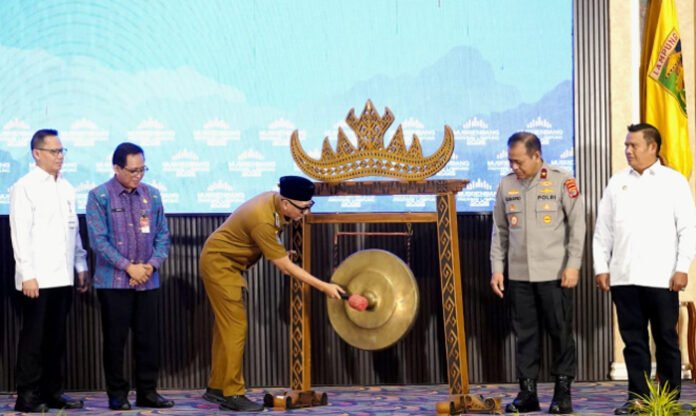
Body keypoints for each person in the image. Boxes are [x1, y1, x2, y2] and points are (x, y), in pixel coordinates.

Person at [199, 175, 344, 412]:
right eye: (302, 208)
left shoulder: (275, 205)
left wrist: (279, 252)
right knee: (235, 328)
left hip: (227, 263)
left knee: (225, 329)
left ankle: (217, 387)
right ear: (285, 203)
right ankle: (233, 394)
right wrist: (324, 286)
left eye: (309, 206)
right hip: (220, 265)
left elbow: (268, 246)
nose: (306, 213)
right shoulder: (262, 219)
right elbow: (285, 267)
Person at [593, 123, 696, 415]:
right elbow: (603, 231)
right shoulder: (616, 183)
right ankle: (637, 399)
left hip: (662, 278)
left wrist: (682, 267)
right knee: (633, 342)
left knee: (666, 340)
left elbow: (688, 229)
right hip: (624, 277)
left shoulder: (673, 181)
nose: (628, 150)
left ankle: (668, 401)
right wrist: (601, 267)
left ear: (653, 147)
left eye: (633, 145)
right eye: (626, 145)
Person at [490, 132, 586, 414]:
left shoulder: (562, 181)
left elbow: (577, 226)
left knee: (561, 334)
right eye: (511, 161)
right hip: (519, 275)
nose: (514, 167)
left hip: (555, 273)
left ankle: (562, 393)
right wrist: (497, 269)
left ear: (536, 156)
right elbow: (499, 231)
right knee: (525, 336)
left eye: (519, 161)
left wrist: (573, 264)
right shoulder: (506, 184)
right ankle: (527, 393)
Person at [85, 142, 174, 410]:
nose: (138, 175)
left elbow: (163, 235)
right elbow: (98, 241)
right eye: (133, 170)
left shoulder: (152, 195)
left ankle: (148, 391)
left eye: (142, 169)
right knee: (115, 341)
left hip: (148, 280)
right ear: (117, 168)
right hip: (113, 283)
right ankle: (117, 394)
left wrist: (150, 266)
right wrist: (128, 267)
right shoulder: (99, 196)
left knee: (148, 340)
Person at [9, 129, 89, 412]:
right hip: (37, 278)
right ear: (37, 153)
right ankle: (27, 396)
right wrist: (27, 274)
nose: (60, 156)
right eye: (54, 151)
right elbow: (20, 234)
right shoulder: (25, 186)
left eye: (62, 151)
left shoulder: (66, 187)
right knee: (34, 339)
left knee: (56, 338)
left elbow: (73, 229)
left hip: (63, 275)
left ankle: (53, 392)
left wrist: (80, 264)